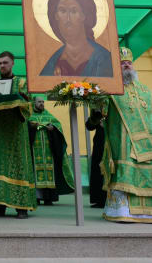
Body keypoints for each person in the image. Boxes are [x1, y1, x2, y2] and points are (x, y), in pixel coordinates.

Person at [87, 47, 152, 222]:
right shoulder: (109, 92)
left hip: (146, 145)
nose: (126, 66)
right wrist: (96, 111)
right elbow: (96, 117)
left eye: (129, 62)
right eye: (122, 63)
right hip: (122, 145)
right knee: (125, 174)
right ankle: (123, 212)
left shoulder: (146, 91)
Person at [0, 51, 37, 219]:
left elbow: (29, 104)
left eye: (5, 63)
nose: (2, 66)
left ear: (13, 63)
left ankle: (22, 207)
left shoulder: (21, 83)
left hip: (14, 132)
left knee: (17, 164)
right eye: (0, 63)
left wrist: (18, 101)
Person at [40, 0, 112, 77]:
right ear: (56, 16)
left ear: (84, 16)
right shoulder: (54, 62)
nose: (68, 18)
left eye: (74, 11)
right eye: (62, 11)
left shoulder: (103, 57)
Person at [28, 97, 74, 205]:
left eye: (43, 102)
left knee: (50, 174)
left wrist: (53, 128)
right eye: (39, 102)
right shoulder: (30, 117)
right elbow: (25, 129)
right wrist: (31, 127)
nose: (41, 104)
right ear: (34, 103)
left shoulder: (49, 116)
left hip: (48, 152)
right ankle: (37, 197)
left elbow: (58, 127)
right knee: (35, 173)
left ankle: (49, 198)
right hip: (35, 151)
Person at [85, 111, 107, 208]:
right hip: (99, 145)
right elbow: (89, 126)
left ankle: (108, 199)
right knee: (97, 171)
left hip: (113, 143)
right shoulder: (99, 111)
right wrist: (95, 117)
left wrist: (106, 125)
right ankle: (99, 200)